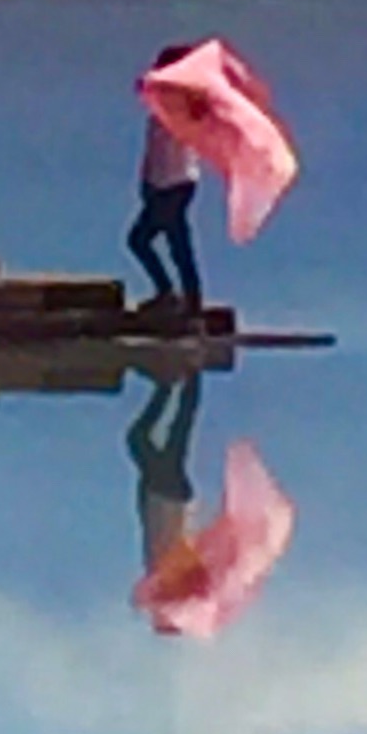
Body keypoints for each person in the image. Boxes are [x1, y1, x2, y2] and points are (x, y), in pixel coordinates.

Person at [127, 42, 204, 318]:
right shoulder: (173, 101)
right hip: (168, 182)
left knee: (140, 240)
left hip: (173, 183)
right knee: (176, 242)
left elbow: (143, 87)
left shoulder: (179, 102)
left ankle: (171, 295)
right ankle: (186, 300)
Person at [126, 373, 202, 582]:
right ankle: (175, 382)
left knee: (177, 434)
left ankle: (181, 381)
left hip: (170, 497)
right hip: (165, 495)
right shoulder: (163, 567)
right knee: (142, 437)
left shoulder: (161, 565)